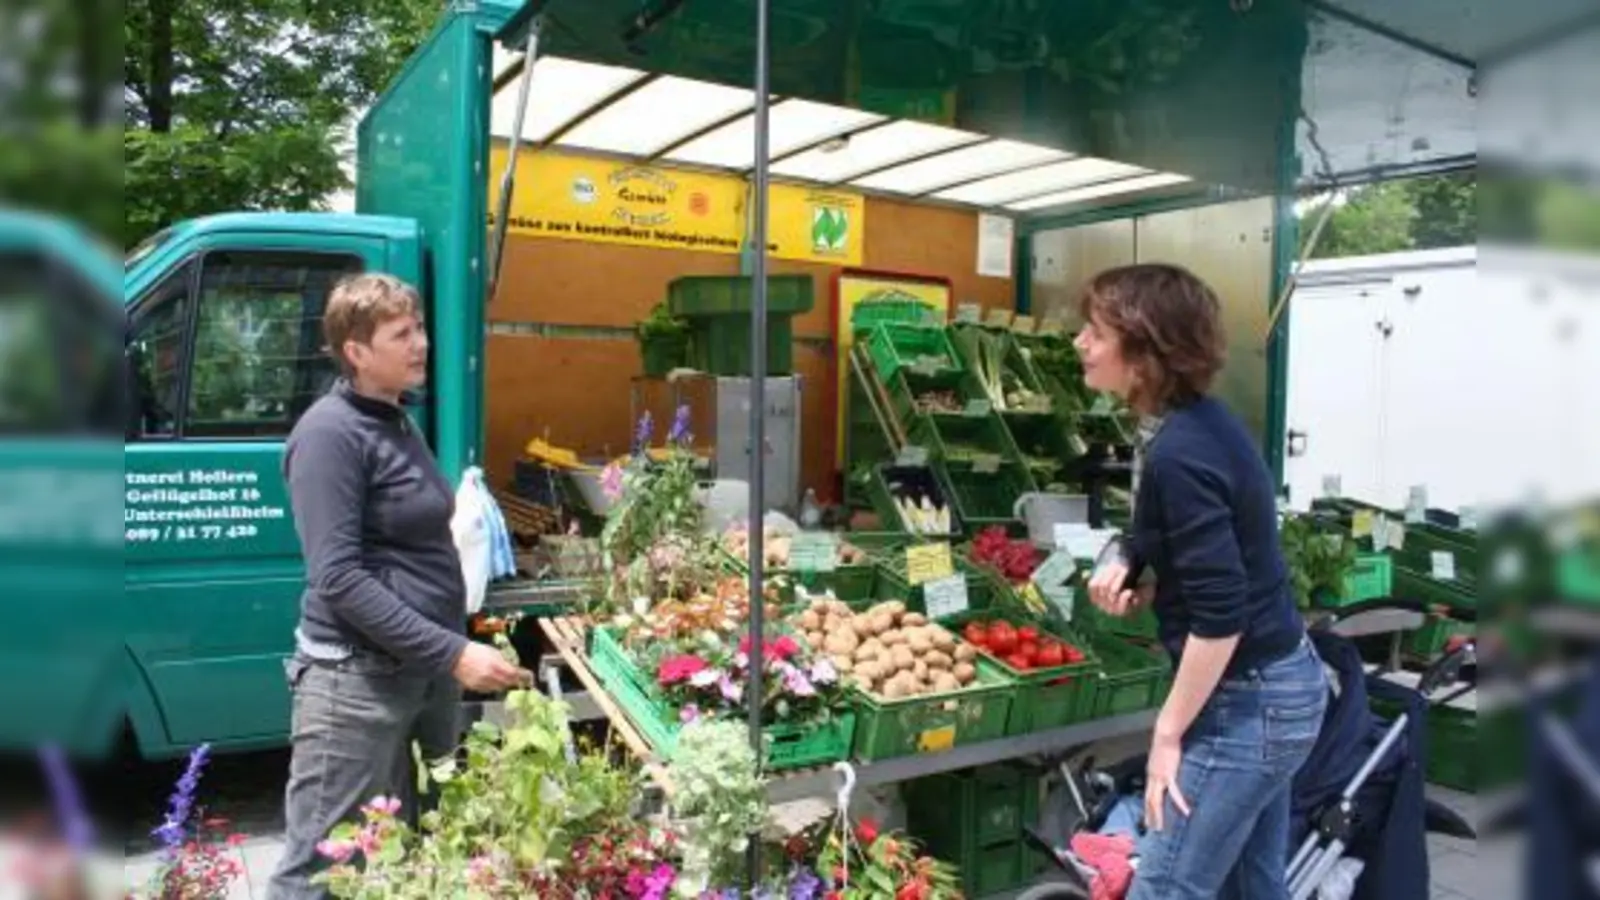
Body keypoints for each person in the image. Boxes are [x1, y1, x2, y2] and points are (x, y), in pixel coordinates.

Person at [267, 273, 529, 900]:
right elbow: (337, 577)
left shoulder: (396, 421)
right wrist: (455, 652)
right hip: (356, 685)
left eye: (420, 329)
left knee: (412, 847)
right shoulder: (330, 435)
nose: (422, 344)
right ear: (356, 352)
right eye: (401, 334)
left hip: (419, 673)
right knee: (322, 870)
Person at [1076, 263, 1327, 900]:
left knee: (1165, 887)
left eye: (1095, 331)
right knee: (1251, 886)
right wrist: (1131, 563)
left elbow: (1223, 614)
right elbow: (1183, 548)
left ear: (1143, 351)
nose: (1080, 342)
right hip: (1275, 689)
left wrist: (1166, 734)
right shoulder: (1189, 427)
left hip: (1250, 702)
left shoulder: (1182, 450)